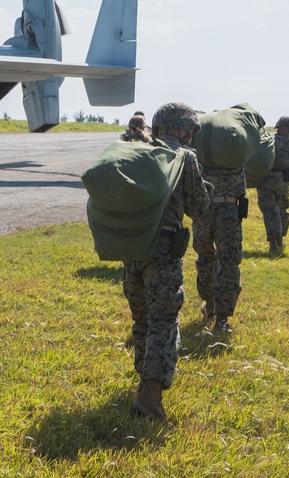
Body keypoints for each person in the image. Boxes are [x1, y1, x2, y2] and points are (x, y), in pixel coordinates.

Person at [124, 102, 212, 421]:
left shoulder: (135, 150)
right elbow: (198, 207)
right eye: (189, 130)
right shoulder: (184, 157)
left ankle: (143, 385)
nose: (190, 136)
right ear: (180, 129)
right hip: (162, 250)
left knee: (142, 318)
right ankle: (150, 397)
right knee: (163, 319)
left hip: (131, 248)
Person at [192, 162, 246, 332]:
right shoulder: (236, 146)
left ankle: (209, 304)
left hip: (203, 210)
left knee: (205, 256)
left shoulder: (198, 144)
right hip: (229, 210)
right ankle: (222, 319)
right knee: (228, 261)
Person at [257, 116, 289, 252]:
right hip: (283, 180)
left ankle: (272, 244)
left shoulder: (268, 140)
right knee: (282, 209)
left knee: (269, 211)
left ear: (278, 127)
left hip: (265, 179)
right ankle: (281, 240)